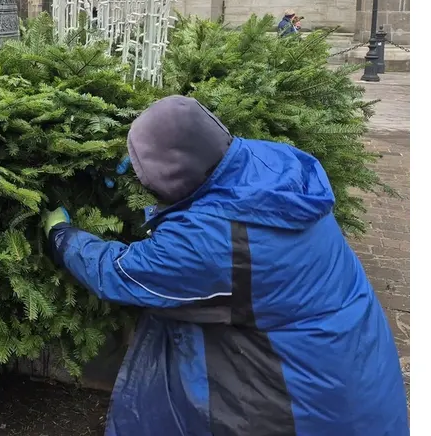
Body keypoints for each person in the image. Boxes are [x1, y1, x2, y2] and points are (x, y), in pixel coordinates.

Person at [41, 95, 408, 436]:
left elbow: (118, 272)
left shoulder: (214, 244)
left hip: (309, 405)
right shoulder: (270, 163)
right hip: (357, 361)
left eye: (145, 170)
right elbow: (206, 197)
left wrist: (61, 235)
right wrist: (148, 173)